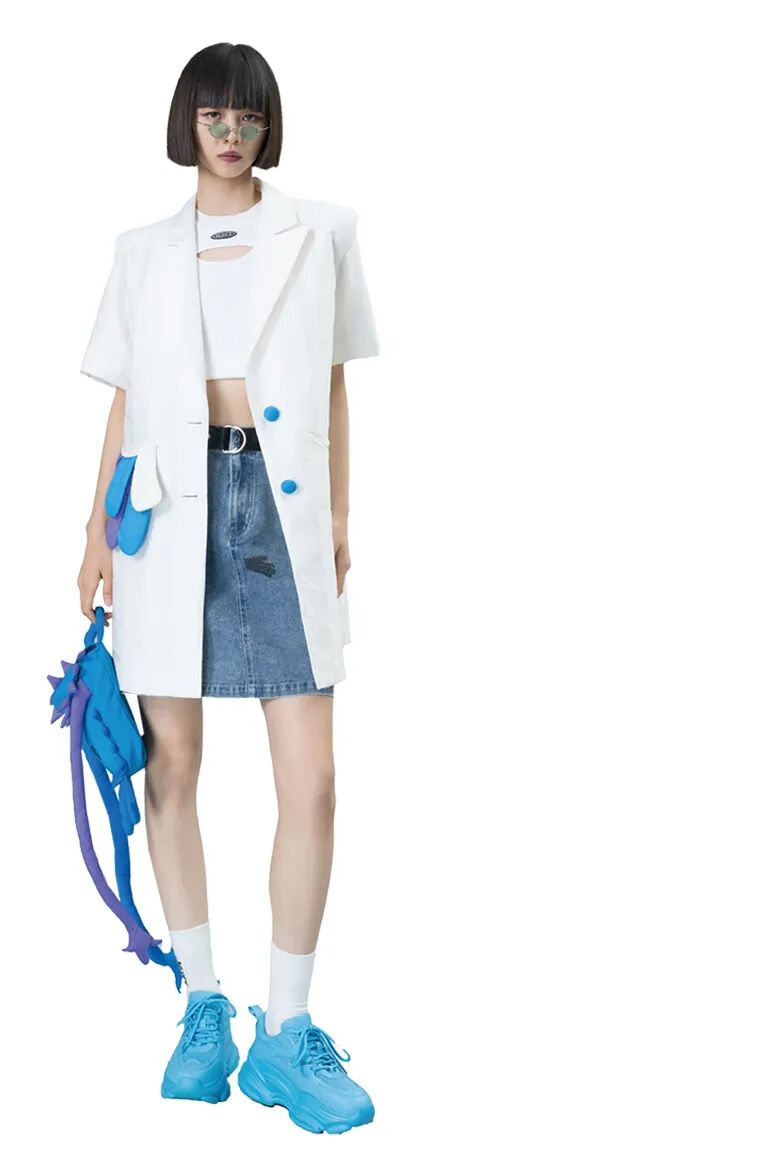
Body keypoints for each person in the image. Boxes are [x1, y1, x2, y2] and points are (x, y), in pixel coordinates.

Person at [76, 42, 379, 1134]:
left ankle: (286, 1033)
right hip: (167, 512)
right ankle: (202, 1006)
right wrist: (95, 530)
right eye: (214, 115)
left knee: (314, 781)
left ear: (267, 125)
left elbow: (332, 383)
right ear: (187, 123)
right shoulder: (142, 251)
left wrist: (338, 514)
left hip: (277, 509)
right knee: (172, 770)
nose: (232, 133)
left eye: (248, 116)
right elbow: (124, 402)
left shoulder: (323, 232)